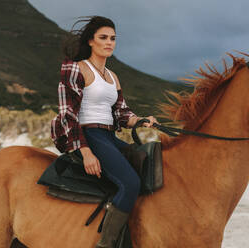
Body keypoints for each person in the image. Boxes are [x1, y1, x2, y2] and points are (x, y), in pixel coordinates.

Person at [50, 16, 159, 248]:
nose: (109, 42)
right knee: (129, 183)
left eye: (113, 38)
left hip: (109, 136)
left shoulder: (112, 77)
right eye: (103, 38)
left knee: (148, 165)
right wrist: (86, 151)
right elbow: (67, 115)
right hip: (87, 135)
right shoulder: (77, 68)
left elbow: (121, 113)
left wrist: (141, 120)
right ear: (91, 41)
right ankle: (106, 244)